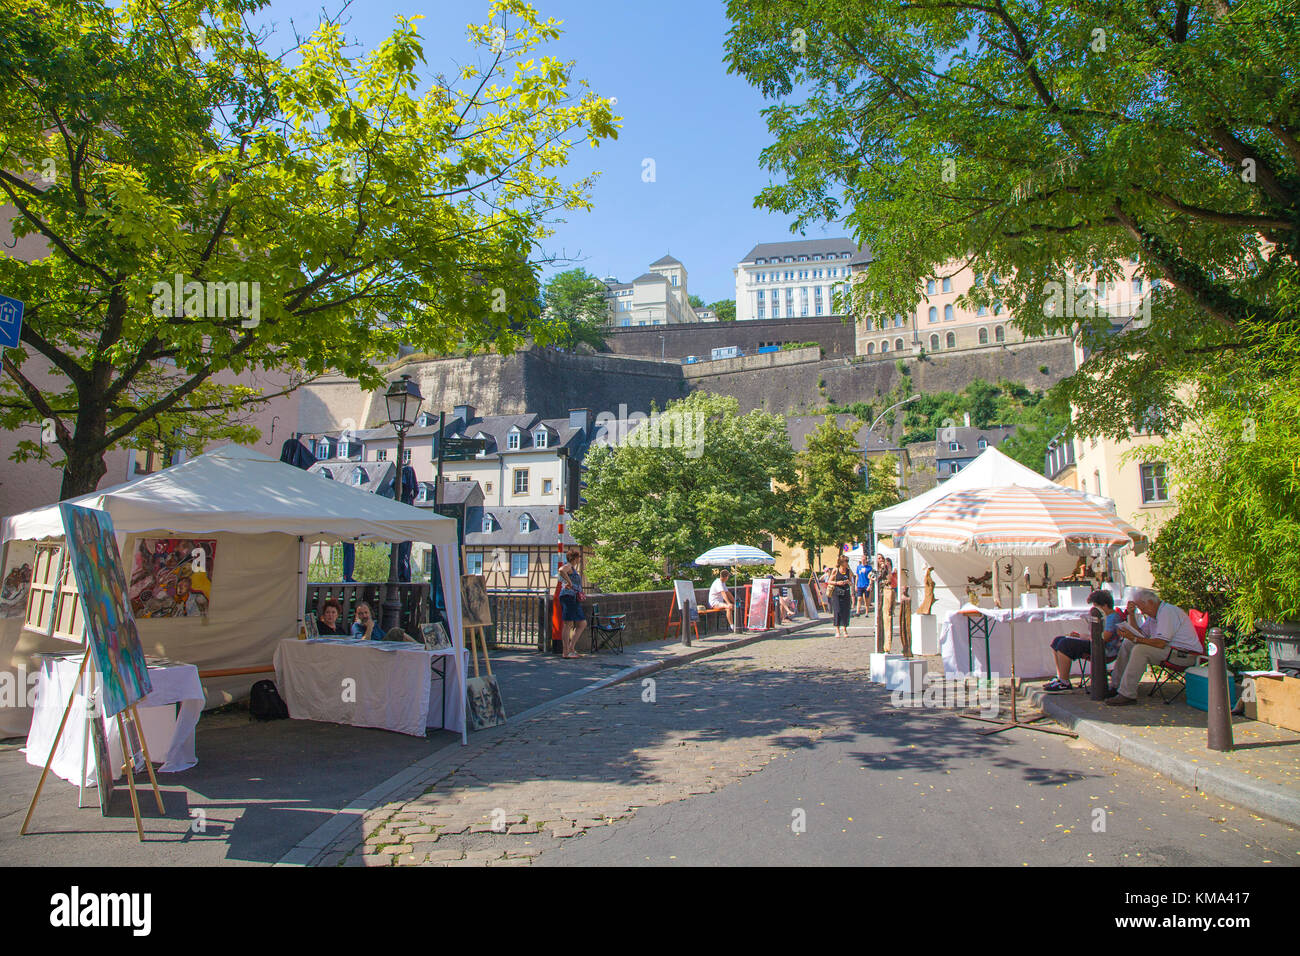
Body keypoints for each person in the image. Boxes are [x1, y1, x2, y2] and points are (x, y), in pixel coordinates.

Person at [1106, 588, 1203, 706]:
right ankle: (1116, 686)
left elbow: (1160, 643)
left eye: (1142, 608)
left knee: (1140, 650)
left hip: (1184, 655)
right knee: (1128, 643)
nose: (1142, 612)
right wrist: (1131, 616)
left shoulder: (1167, 612)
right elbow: (1140, 635)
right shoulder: (1154, 615)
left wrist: (1135, 638)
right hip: (1170, 651)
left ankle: (1127, 694)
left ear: (1151, 603)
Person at [1043, 589, 1123, 691]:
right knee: (1057, 641)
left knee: (1065, 644)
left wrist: (1085, 637)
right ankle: (1060, 677)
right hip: (1096, 643)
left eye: (1096, 606)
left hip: (1104, 649)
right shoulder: (1107, 616)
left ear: (1104, 606)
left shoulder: (1113, 618)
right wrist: (1080, 636)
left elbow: (1104, 638)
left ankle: (1064, 682)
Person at [557, 550, 587, 658]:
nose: (580, 558)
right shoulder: (569, 565)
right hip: (568, 596)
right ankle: (566, 652)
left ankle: (571, 648)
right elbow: (561, 570)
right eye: (578, 557)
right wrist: (569, 582)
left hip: (573, 597)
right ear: (574, 558)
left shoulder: (573, 568)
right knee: (568, 624)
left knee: (582, 623)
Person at [827, 555, 853, 638]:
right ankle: (837, 630)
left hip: (846, 592)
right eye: (846, 561)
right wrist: (837, 583)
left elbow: (851, 582)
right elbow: (829, 581)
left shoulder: (849, 571)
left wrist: (848, 582)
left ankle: (845, 629)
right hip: (837, 593)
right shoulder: (835, 570)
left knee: (846, 611)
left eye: (847, 561)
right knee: (837, 611)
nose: (847, 563)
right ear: (841, 563)